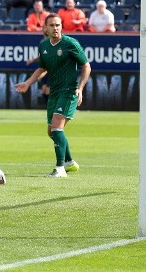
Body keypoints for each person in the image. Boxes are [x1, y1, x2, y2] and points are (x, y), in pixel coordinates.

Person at [14, 14, 91, 177]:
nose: (55, 28)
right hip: (54, 92)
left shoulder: (70, 43)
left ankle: (60, 168)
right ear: (45, 28)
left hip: (69, 91)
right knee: (52, 132)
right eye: (52, 25)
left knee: (57, 126)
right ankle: (70, 162)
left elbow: (86, 66)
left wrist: (80, 88)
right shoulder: (43, 46)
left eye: (58, 25)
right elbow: (42, 69)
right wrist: (27, 83)